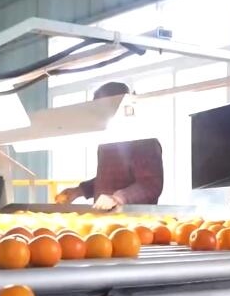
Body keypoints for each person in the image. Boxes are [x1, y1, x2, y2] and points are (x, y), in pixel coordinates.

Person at [55, 82, 164, 210]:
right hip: (104, 216)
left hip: (134, 218)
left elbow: (150, 185)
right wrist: (79, 191)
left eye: (100, 110)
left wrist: (118, 198)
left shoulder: (143, 141)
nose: (97, 116)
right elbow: (108, 180)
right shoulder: (107, 141)